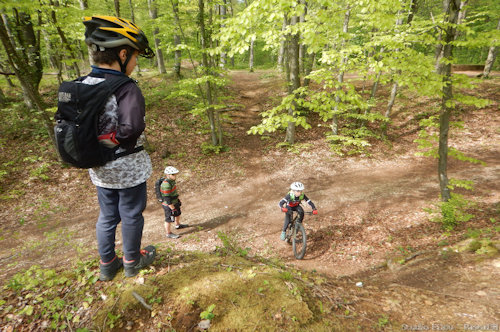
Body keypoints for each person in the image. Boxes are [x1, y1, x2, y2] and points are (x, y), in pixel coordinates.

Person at [83, 15, 156, 281]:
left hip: (99, 168)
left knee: (107, 216)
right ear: (122, 54)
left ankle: (106, 265)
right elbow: (132, 128)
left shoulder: (84, 84)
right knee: (131, 215)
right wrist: (110, 140)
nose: (135, 64)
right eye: (135, 58)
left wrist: (98, 144)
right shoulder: (126, 88)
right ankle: (132, 262)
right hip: (128, 169)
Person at [161, 166, 188, 239]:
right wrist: (172, 208)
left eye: (175, 174)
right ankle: (168, 233)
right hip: (168, 204)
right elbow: (166, 198)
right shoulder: (166, 184)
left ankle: (178, 225)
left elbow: (173, 192)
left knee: (178, 213)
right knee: (168, 219)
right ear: (167, 175)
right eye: (173, 174)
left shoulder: (172, 181)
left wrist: (177, 200)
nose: (175, 176)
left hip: (175, 201)